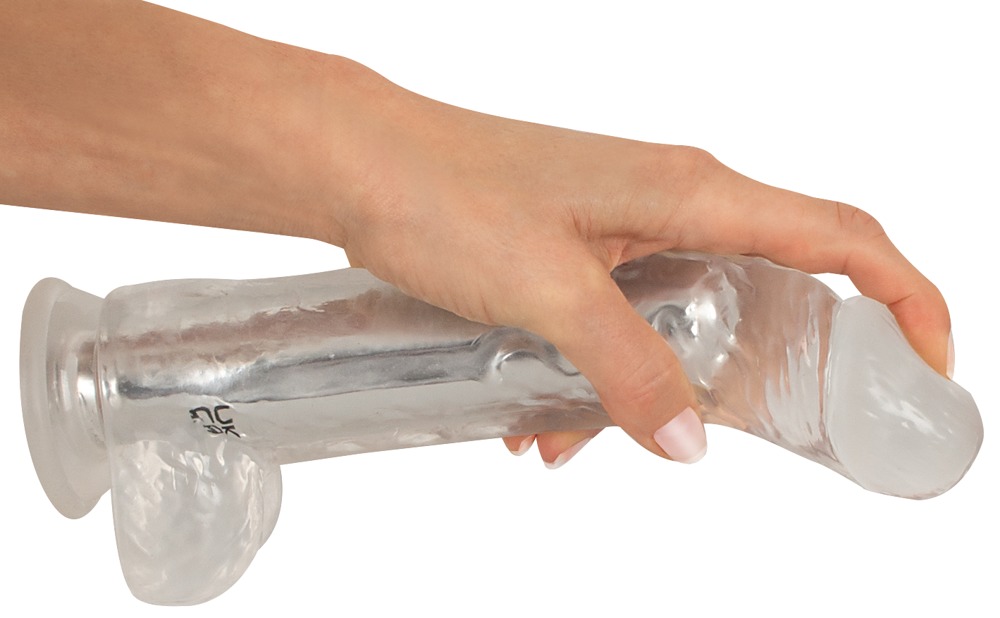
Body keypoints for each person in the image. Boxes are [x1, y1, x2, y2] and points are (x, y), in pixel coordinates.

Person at [0, 0, 951, 469]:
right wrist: (381, 168)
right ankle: (137, 393)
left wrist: (378, 169)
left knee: (545, 357)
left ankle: (138, 392)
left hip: (113, 375)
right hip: (110, 381)